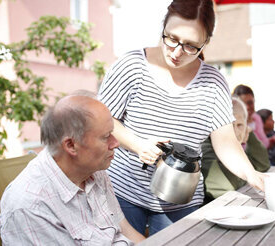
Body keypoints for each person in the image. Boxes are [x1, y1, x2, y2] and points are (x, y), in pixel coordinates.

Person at [97, 0, 265, 236]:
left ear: (205, 43)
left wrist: (253, 176)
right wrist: (138, 145)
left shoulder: (213, 82)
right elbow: (102, 119)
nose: (176, 52)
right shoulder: (131, 66)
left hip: (181, 200)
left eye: (190, 46)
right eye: (172, 38)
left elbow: (226, 142)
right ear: (163, 26)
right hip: (124, 192)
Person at [0, 93, 145, 245]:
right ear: (71, 145)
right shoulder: (31, 206)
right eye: (106, 136)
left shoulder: (94, 168)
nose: (115, 143)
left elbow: (125, 230)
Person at [201, 97, 270, 203]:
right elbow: (227, 187)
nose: (235, 131)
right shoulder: (205, 146)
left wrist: (250, 135)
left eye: (240, 125)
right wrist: (248, 174)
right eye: (230, 125)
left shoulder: (239, 148)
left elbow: (263, 165)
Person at [232, 84, 275, 157]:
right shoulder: (232, 123)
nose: (247, 107)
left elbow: (264, 144)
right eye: (242, 104)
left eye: (250, 103)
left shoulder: (257, 119)